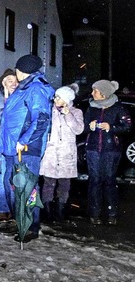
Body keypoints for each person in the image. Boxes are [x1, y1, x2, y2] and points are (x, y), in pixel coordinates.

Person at [0, 54, 54, 243]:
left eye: (18, 70)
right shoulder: (24, 88)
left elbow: (42, 119)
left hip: (26, 148)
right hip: (14, 147)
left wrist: (24, 141)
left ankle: (30, 225)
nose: (17, 73)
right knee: (11, 185)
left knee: (27, 188)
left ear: (23, 71)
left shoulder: (36, 89)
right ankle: (20, 219)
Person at [83, 80, 131, 225]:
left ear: (103, 93)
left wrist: (111, 127)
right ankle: (94, 213)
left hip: (111, 150)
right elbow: (82, 127)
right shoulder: (91, 108)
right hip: (92, 149)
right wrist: (89, 127)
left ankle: (112, 214)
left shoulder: (118, 108)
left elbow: (127, 126)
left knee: (110, 181)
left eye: (95, 91)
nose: (92, 93)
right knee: (94, 181)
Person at [39, 84, 84, 224]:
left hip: (66, 154)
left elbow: (79, 129)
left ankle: (60, 211)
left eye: (58, 97)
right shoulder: (49, 111)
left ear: (66, 99)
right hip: (51, 153)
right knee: (48, 183)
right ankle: (47, 211)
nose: (55, 99)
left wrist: (67, 115)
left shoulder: (76, 112)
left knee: (64, 184)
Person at [0, 68, 19, 224]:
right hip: (1, 146)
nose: (13, 84)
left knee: (15, 179)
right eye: (10, 81)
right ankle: (1, 210)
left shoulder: (21, 98)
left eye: (15, 81)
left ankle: (13, 209)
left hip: (17, 147)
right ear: (2, 83)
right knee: (2, 178)